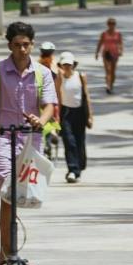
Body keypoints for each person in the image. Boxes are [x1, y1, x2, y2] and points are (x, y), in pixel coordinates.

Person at [0, 20, 59, 265]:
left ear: (32, 45)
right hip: (1, 136)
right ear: (9, 45)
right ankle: (9, 251)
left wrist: (39, 121)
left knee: (15, 194)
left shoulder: (42, 73)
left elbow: (49, 104)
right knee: (5, 187)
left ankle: (7, 252)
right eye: (17, 45)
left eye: (26, 45)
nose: (22, 50)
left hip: (29, 138)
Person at [56, 52, 93, 184]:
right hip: (66, 113)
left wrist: (90, 116)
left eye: (69, 64)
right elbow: (57, 97)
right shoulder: (59, 78)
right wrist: (56, 117)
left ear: (73, 65)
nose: (67, 67)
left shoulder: (81, 76)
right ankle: (72, 169)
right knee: (69, 141)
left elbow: (86, 96)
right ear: (60, 65)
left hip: (80, 113)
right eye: (64, 64)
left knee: (79, 141)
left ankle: (79, 166)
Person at [37, 41, 61, 160]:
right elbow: (58, 86)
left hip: (42, 100)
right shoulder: (56, 66)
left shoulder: (37, 65)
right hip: (51, 100)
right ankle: (52, 135)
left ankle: (47, 142)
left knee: (44, 123)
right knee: (50, 122)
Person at [97, 18, 125, 95]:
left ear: (115, 25)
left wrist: (121, 50)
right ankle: (108, 86)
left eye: (113, 24)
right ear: (107, 25)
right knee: (108, 71)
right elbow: (100, 43)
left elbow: (120, 43)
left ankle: (111, 84)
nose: (111, 25)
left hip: (115, 54)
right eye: (110, 24)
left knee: (113, 71)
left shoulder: (118, 34)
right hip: (106, 53)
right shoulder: (104, 34)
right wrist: (97, 52)